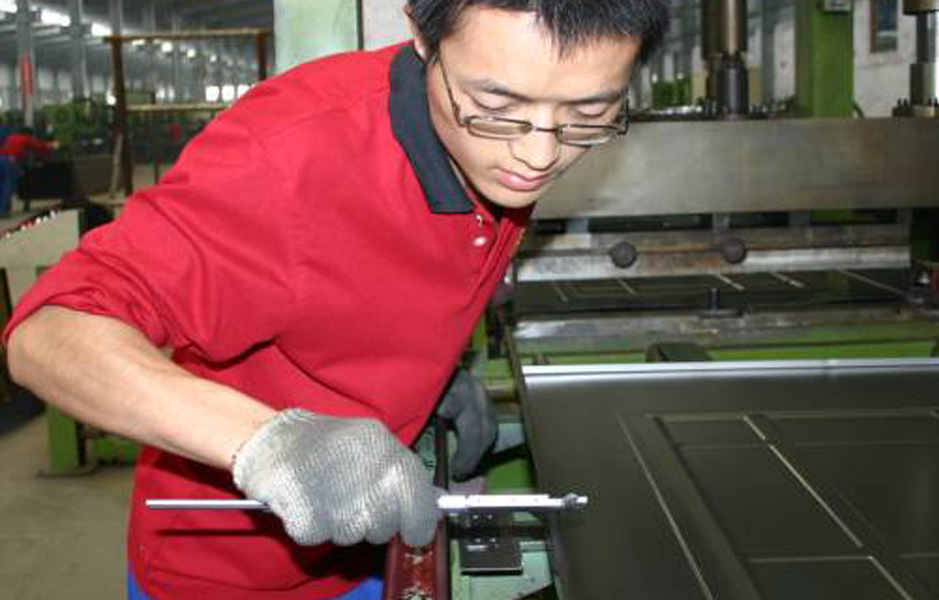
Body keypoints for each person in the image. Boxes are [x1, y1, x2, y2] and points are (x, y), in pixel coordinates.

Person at [3, 1, 667, 598]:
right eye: (496, 105)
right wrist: (265, 443)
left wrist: (423, 370)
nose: (538, 153)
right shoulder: (286, 158)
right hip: (231, 573)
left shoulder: (499, 141)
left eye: (588, 115)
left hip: (370, 547)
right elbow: (51, 332)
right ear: (421, 35)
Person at [0, 126, 56, 216]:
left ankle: (4, 210)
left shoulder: (11, 137)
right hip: (10, 161)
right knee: (8, 187)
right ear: (29, 134)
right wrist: (53, 145)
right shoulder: (26, 138)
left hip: (1, 158)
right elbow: (40, 146)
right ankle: (3, 211)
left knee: (2, 186)